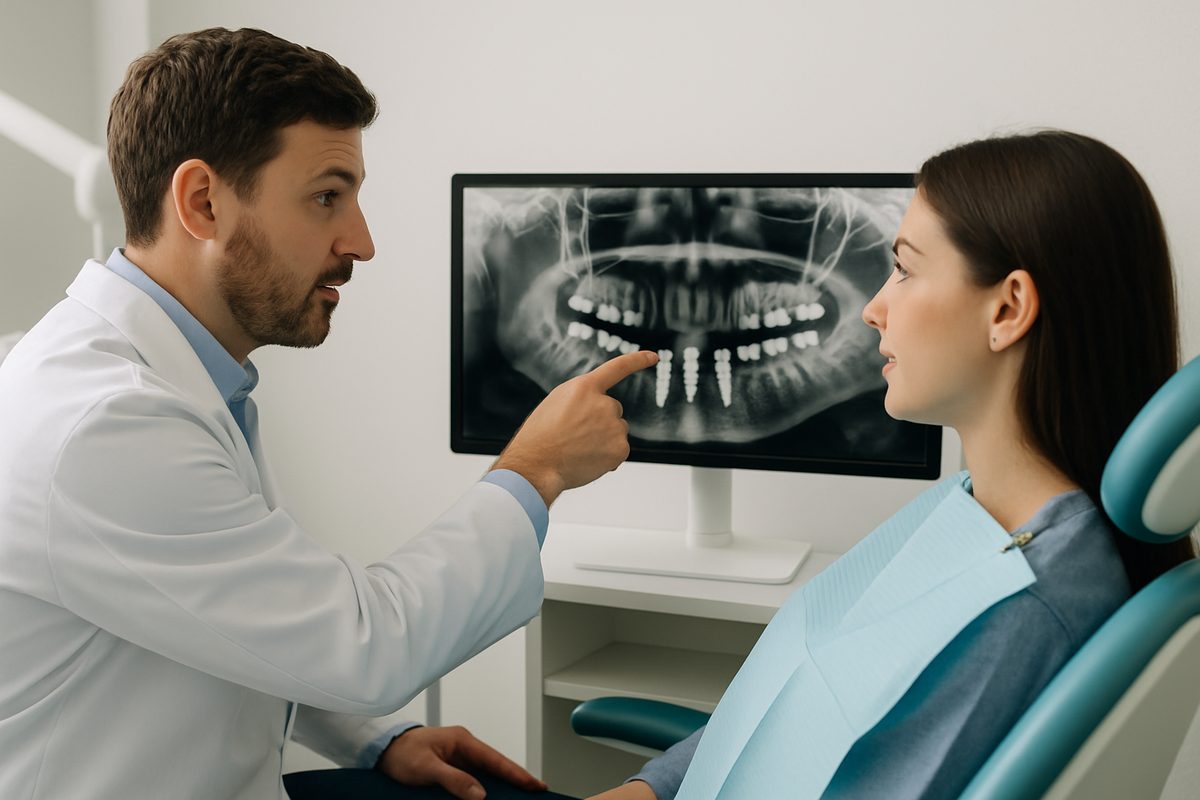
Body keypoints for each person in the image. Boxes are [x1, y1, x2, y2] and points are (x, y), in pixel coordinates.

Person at [0, 27, 655, 800]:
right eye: (326, 197)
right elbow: (364, 645)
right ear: (203, 203)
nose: (363, 242)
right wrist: (536, 468)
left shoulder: (173, 381)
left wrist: (373, 738)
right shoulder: (106, 426)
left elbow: (227, 613)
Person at [575, 130, 1196, 800]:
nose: (874, 310)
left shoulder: (1024, 606)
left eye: (904, 270)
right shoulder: (979, 513)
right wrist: (653, 788)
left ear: (1008, 308)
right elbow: (796, 714)